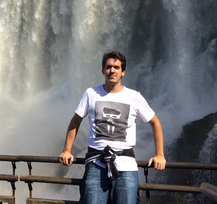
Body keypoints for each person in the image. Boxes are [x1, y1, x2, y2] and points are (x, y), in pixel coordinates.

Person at [59, 51, 166, 204]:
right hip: (96, 163)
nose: (112, 70)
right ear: (103, 70)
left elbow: (155, 123)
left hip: (126, 165)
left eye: (116, 67)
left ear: (123, 72)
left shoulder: (134, 96)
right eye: (108, 67)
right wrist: (66, 150)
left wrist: (160, 155)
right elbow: (75, 121)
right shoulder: (91, 93)